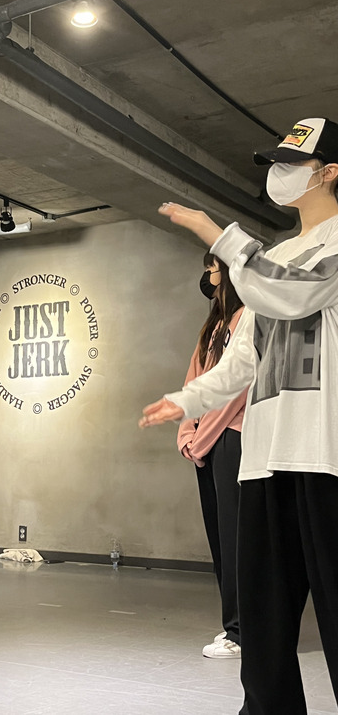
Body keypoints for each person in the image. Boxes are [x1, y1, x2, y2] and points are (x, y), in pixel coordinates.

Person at [139, 117, 338, 715]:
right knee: (264, 623)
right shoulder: (273, 255)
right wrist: (190, 399)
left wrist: (215, 233)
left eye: (292, 164)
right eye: (275, 164)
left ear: (329, 173)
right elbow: (245, 356)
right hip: (264, 459)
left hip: (325, 456)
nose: (280, 176)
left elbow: (297, 293)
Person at [177, 254, 246, 659]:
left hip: (232, 439)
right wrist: (188, 433)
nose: (207, 273)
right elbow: (194, 383)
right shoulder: (213, 326)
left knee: (237, 538)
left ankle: (241, 631)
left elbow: (235, 387)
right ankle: (234, 626)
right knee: (220, 537)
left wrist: (201, 440)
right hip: (207, 442)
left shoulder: (246, 319)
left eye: (213, 265)